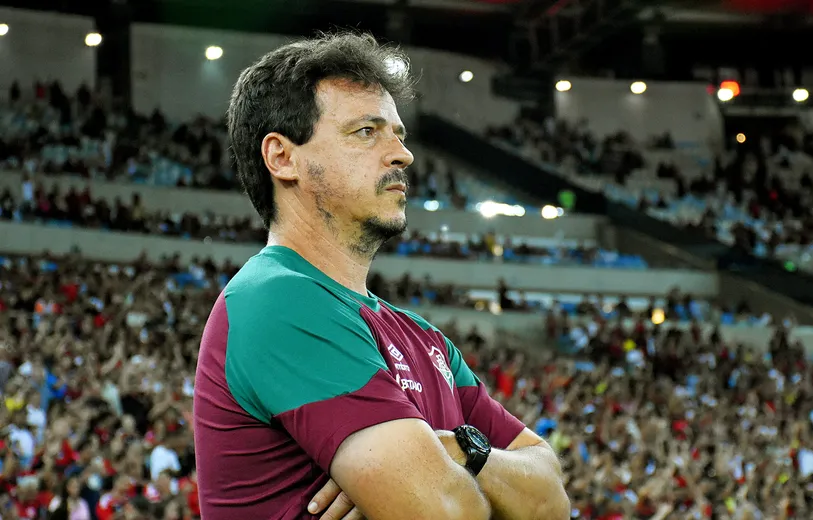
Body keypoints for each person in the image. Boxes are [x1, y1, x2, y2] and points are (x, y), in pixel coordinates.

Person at [193, 31, 570, 520]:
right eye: (366, 132)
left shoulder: (425, 338)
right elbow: (445, 512)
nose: (402, 155)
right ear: (283, 158)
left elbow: (551, 502)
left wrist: (463, 451)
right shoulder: (277, 299)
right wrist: (461, 473)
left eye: (398, 134)